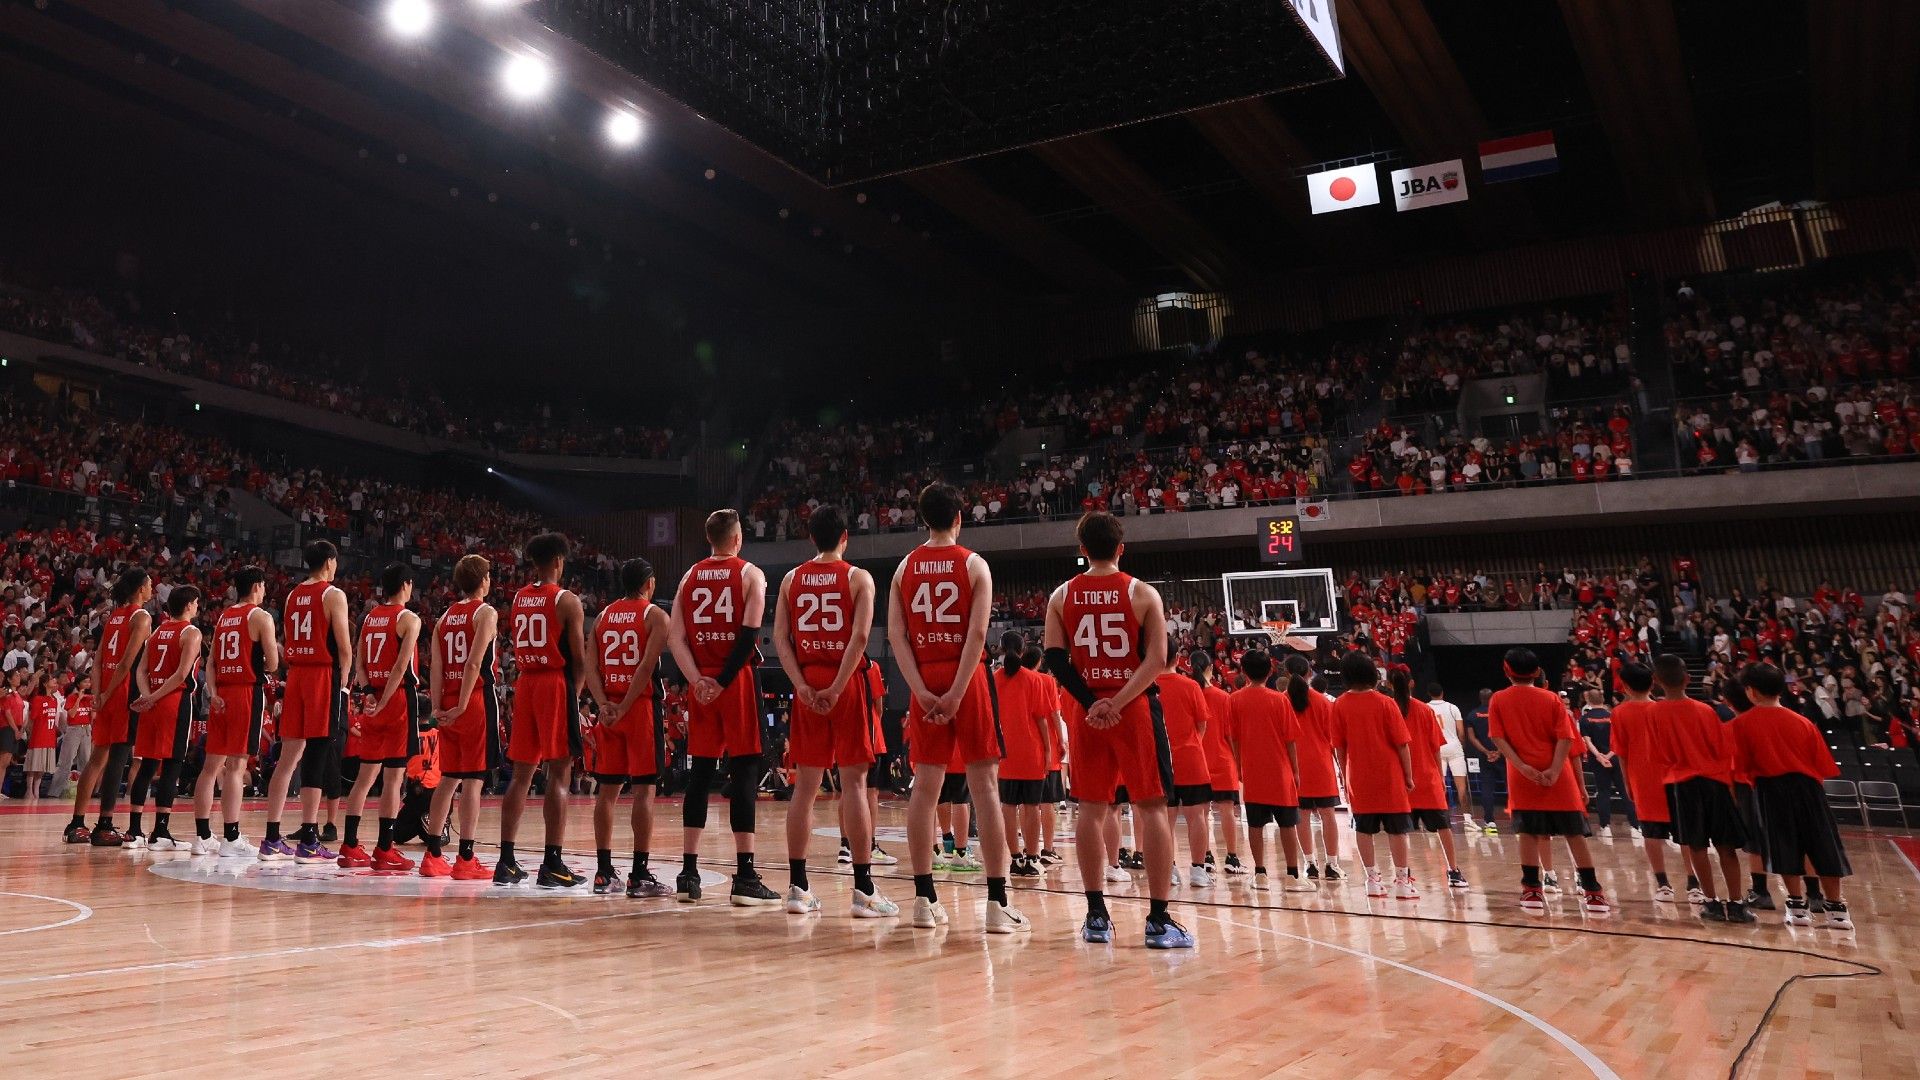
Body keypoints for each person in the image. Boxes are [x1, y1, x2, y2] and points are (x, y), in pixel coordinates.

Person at [1043, 510, 1186, 947]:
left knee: (1091, 808)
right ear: (1121, 548)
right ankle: (1159, 920)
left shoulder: (1062, 595)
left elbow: (1054, 659)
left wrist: (1092, 704)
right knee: (1151, 808)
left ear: (1082, 550)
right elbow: (1157, 660)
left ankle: (1096, 916)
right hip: (1135, 709)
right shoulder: (1142, 594)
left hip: (1086, 714)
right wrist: (1118, 702)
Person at [889, 484, 1027, 934]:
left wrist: (924, 692)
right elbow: (976, 633)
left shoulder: (904, 567)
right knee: (985, 788)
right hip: (966, 678)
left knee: (924, 789)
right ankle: (996, 902)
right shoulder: (973, 564)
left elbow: (897, 638)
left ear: (922, 519)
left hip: (923, 676)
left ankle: (923, 898)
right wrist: (956, 692)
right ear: (960, 517)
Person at [771, 507, 896, 918]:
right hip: (847, 685)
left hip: (807, 686)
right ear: (846, 536)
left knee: (804, 789)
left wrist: (803, 686)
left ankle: (797, 887)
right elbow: (860, 636)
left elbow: (779, 640)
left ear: (810, 538)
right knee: (855, 786)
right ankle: (863, 890)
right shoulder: (858, 578)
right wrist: (838, 686)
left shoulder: (791, 579)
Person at [668, 509, 780, 906]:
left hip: (701, 685)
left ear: (708, 539)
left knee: (699, 773)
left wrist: (697, 679)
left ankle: (689, 871)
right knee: (746, 770)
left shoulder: (688, 577)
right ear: (737, 539)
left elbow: (675, 637)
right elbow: (749, 634)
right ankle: (746, 875)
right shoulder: (751, 574)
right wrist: (721, 682)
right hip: (734, 682)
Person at [1730, 663, 1854, 930]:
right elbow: (1822, 765)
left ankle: (1797, 906)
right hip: (1808, 788)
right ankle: (1837, 909)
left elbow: (1740, 766)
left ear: (1751, 691)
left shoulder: (1741, 724)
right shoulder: (1803, 722)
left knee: (1784, 845)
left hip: (1770, 789)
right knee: (1822, 844)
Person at [1488, 647, 1609, 915]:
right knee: (1574, 834)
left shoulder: (1498, 699)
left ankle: (1532, 890)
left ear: (1507, 671)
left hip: (1523, 777)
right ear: (1536, 671)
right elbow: (1566, 738)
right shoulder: (1552, 699)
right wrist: (1555, 770)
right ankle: (1594, 893)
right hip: (1559, 777)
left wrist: (1521, 766)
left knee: (1528, 833)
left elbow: (1498, 737)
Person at [499, 532, 589, 888]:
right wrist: (575, 698)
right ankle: (552, 861)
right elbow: (579, 662)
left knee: (521, 775)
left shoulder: (520, 597)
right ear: (557, 561)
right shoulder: (567, 600)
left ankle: (506, 860)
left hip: (525, 683)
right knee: (559, 774)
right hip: (553, 684)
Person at [582, 557, 674, 898]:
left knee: (606, 793)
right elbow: (647, 666)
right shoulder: (655, 616)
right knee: (644, 791)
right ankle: (639, 873)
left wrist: (603, 703)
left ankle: (604, 872)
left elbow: (590, 665)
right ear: (648, 583)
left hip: (607, 712)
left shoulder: (603, 617)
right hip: (637, 711)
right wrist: (622, 706)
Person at [260, 540, 351, 864]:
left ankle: (271, 837)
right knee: (317, 755)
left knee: (288, 758)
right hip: (321, 677)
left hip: (295, 676)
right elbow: (344, 647)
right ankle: (309, 839)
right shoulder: (332, 594)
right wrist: (343, 685)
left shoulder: (292, 595)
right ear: (329, 562)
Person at [1648, 653, 1752, 923]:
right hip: (1714, 783)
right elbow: (1723, 749)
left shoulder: (1654, 713)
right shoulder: (1705, 710)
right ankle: (1737, 904)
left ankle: (1711, 902)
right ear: (1688, 678)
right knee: (1726, 846)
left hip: (1681, 786)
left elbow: (1658, 755)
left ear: (1656, 681)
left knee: (1696, 846)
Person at [337, 563, 422, 873]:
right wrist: (384, 699)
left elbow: (359, 664)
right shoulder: (408, 619)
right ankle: (385, 849)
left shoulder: (369, 618)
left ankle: (349, 845)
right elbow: (401, 668)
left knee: (364, 777)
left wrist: (370, 695)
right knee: (393, 779)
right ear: (406, 585)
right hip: (397, 701)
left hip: (372, 699)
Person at [420, 555, 498, 881]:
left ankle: (432, 853)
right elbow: (473, 665)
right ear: (482, 580)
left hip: (447, 701)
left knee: (448, 779)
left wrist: (438, 707)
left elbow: (435, 668)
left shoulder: (444, 618)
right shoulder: (486, 612)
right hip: (474, 701)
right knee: (474, 782)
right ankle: (465, 857)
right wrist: (464, 704)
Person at [64, 569, 154, 846]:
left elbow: (99, 658)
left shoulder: (115, 616)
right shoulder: (141, 617)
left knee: (97, 758)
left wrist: (99, 694)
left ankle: (77, 823)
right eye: (150, 584)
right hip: (124, 693)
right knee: (118, 758)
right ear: (141, 588)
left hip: (105, 692)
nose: (152, 588)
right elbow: (127, 664)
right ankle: (104, 824)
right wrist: (111, 692)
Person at [195, 567, 279, 856]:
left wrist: (215, 694)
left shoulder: (224, 617)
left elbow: (211, 664)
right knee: (236, 766)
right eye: (264, 586)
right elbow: (272, 662)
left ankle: (203, 836)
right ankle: (231, 837)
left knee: (210, 768)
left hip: (221, 695)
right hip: (245, 692)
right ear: (257, 586)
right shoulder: (261, 616)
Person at [1329, 652, 1417, 900]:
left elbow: (1339, 747)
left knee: (1363, 829)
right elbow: (1402, 744)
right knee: (1397, 830)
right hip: (1389, 775)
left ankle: (1372, 879)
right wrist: (1408, 776)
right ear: (1372, 674)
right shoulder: (1386, 703)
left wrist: (1345, 777)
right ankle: (1402, 881)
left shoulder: (1340, 704)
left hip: (1357, 776)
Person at [125, 586, 204, 851]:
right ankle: (160, 832)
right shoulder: (190, 632)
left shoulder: (157, 632)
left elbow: (141, 670)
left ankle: (134, 831)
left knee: (148, 765)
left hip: (151, 704)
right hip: (173, 701)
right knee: (172, 765)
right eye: (197, 603)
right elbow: (182, 675)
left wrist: (148, 696)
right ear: (190, 605)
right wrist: (157, 696)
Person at [1609, 662, 1695, 901]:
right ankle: (1693, 882)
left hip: (1643, 779)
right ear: (1652, 682)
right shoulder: (1665, 708)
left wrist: (1627, 782)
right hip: (1674, 777)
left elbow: (1622, 753)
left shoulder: (1619, 713)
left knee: (1651, 835)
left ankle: (1663, 884)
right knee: (1685, 834)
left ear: (1624, 686)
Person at [1227, 649, 1307, 892]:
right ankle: (1293, 875)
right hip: (1279, 770)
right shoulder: (1279, 699)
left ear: (1243, 671)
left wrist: (1239, 766)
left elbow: (1235, 739)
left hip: (1253, 771)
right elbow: (1290, 739)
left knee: (1255, 824)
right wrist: (1295, 770)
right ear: (1271, 671)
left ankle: (1260, 873)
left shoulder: (1235, 700)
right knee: (1287, 824)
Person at [1391, 666, 1467, 890]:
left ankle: (1403, 876)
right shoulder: (1425, 710)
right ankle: (1453, 871)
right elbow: (1435, 748)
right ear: (1411, 683)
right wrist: (1438, 775)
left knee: (1401, 831)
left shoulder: (1388, 708)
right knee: (1443, 828)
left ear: (1389, 684)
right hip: (1427, 777)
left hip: (1401, 780)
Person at [994, 631, 1056, 880]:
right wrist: (1049, 748)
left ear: (1000, 649)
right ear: (1023, 650)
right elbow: (1041, 718)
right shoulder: (1035, 680)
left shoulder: (993, 679)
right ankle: (1032, 857)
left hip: (1004, 753)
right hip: (1032, 751)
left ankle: (1015, 858)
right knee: (1031, 807)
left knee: (1008, 807)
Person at [1154, 642, 1215, 887]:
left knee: (1164, 818)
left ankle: (1169, 868)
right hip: (1190, 757)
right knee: (1197, 815)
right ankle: (1198, 870)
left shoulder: (1148, 686)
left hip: (1161, 758)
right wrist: (1192, 744)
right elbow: (1202, 724)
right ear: (1177, 658)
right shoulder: (1190, 685)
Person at [1285, 654, 1343, 881]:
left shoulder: (1281, 700)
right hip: (1321, 764)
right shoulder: (1323, 702)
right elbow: (1333, 738)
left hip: (1295, 766)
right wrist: (1340, 767)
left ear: (1286, 674)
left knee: (1303, 817)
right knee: (1328, 816)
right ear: (1310, 673)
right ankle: (1332, 864)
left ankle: (1309, 863)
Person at [1196, 651, 1248, 876]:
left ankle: (1206, 856)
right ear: (1211, 668)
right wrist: (1239, 762)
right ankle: (1232, 857)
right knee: (1227, 810)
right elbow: (1230, 735)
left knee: (1202, 811)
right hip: (1222, 758)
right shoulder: (1222, 697)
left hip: (1198, 759)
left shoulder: (1192, 694)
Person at [1579, 689, 1634, 834]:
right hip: (1615, 758)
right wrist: (1609, 755)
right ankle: (1636, 825)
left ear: (1588, 701)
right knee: (1624, 790)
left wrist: (1599, 756)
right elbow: (1620, 740)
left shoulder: (1585, 719)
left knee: (1603, 791)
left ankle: (1605, 826)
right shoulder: (1614, 716)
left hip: (1598, 760)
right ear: (1603, 700)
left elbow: (1587, 741)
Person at [1427, 684, 1472, 826]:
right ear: (1442, 692)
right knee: (1461, 787)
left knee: (1439, 786)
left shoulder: (1425, 708)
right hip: (1454, 747)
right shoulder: (1453, 707)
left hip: (1436, 748)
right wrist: (1461, 746)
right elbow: (1461, 732)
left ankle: (1440, 820)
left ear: (1429, 694)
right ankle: (1468, 821)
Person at [1461, 688, 1502, 831]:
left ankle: (1490, 823)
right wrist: (1499, 751)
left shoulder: (1473, 715)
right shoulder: (1500, 712)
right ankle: (1519, 822)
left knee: (1487, 789)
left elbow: (1471, 738)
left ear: (1480, 698)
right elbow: (1506, 733)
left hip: (1485, 757)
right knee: (1512, 788)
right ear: (1492, 697)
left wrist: (1486, 752)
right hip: (1502, 755)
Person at [22, 670, 62, 801]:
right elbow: (32, 719)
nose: (55, 681)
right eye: (52, 679)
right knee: (33, 765)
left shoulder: (54, 700)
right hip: (38, 736)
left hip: (50, 736)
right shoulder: (38, 699)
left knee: (42, 766)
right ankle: (29, 790)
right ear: (45, 684)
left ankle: (36, 790)